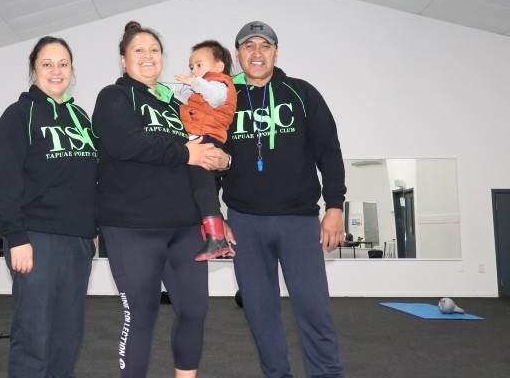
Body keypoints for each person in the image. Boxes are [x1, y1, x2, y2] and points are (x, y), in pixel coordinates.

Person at [92, 21, 230, 378]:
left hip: (184, 225)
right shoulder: (114, 96)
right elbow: (126, 144)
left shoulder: (176, 103)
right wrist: (184, 152)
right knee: (141, 314)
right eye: (138, 50)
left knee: (195, 310)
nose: (147, 55)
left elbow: (202, 151)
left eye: (154, 49)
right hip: (132, 226)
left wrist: (219, 161)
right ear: (123, 60)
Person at [222, 21, 346, 378]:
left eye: (265, 46)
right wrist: (214, 217)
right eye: (249, 46)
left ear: (276, 52)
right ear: (238, 54)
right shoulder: (226, 100)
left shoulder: (302, 93)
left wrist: (335, 207)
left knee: (314, 310)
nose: (257, 53)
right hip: (244, 223)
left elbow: (330, 153)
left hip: (299, 221)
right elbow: (212, 162)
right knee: (260, 314)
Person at [0, 36, 98, 378]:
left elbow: (91, 180)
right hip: (35, 238)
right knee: (34, 334)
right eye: (47, 63)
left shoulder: (80, 116)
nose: (56, 70)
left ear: (72, 70)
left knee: (68, 334)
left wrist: (91, 230)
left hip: (77, 241)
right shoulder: (19, 115)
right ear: (34, 69)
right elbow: (4, 182)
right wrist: (16, 237)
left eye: (63, 63)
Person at [174, 40, 237, 261]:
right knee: (198, 188)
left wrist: (195, 82)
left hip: (207, 139)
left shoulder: (220, 84)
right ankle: (210, 232)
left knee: (203, 188)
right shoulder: (201, 85)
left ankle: (216, 237)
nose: (194, 71)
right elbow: (182, 100)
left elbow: (215, 97)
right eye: (191, 67)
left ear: (218, 67)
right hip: (198, 138)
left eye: (199, 65)